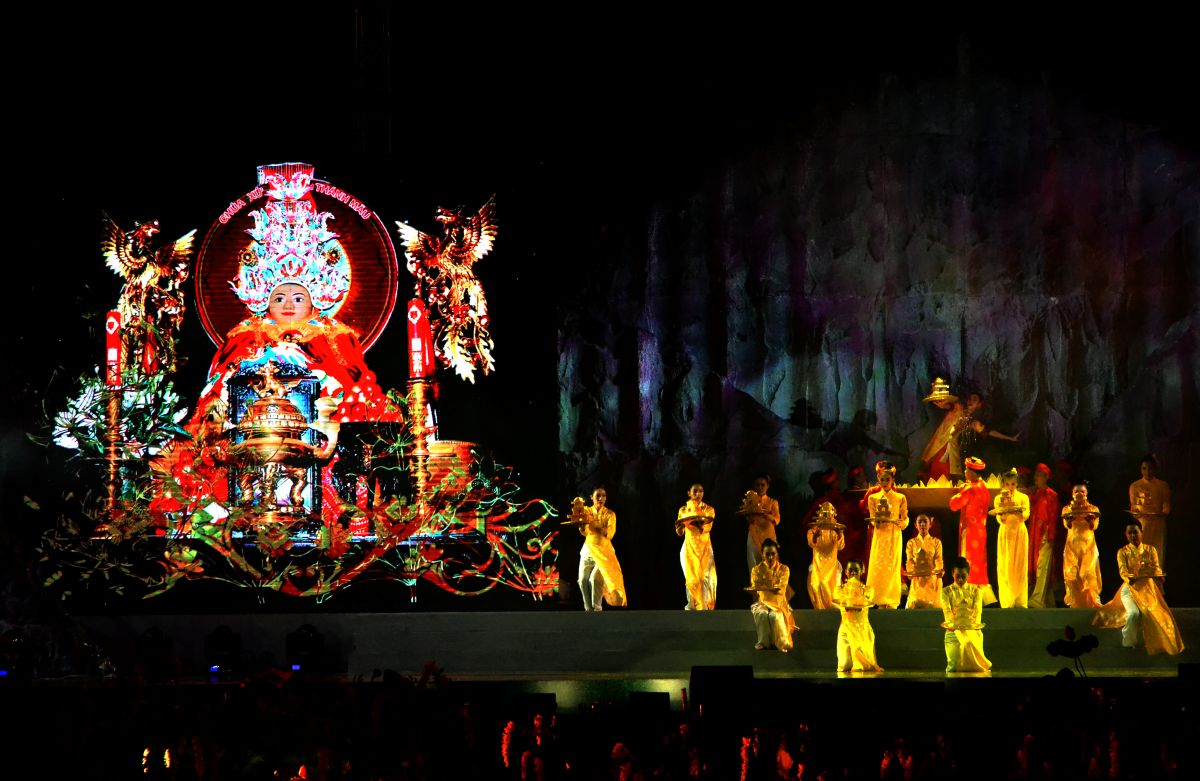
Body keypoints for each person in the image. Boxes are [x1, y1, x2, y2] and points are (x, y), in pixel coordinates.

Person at [153, 170, 403, 532]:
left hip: (316, 427)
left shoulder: (334, 334)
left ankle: (339, 513)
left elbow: (353, 379)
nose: (288, 305)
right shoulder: (245, 333)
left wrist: (318, 377)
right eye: (279, 297)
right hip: (251, 426)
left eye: (298, 297)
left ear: (318, 299)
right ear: (260, 296)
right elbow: (221, 381)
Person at [1093, 521, 1184, 656]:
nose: (1133, 535)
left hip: (1148, 590)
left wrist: (1159, 576)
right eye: (1129, 533)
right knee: (1134, 613)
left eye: (1135, 532)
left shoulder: (1150, 549)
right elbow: (1123, 571)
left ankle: (1164, 643)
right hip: (1130, 589)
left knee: (1160, 615)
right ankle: (1128, 641)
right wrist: (1132, 578)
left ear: (1141, 532)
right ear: (1126, 535)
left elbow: (1156, 567)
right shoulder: (1122, 552)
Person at [859, 461, 909, 608]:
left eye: (888, 479)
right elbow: (873, 518)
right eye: (882, 479)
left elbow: (905, 517)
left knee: (893, 566)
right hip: (880, 534)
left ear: (893, 479)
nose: (885, 482)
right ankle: (878, 598)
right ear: (878, 480)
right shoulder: (872, 498)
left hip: (894, 533)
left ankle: (891, 600)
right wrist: (876, 522)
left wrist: (902, 523)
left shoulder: (900, 497)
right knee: (879, 565)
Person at [573, 488, 627, 611]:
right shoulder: (586, 511)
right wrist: (582, 527)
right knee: (582, 580)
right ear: (592, 497)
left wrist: (597, 526)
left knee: (595, 579)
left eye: (603, 495)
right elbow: (585, 531)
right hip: (588, 549)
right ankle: (588, 609)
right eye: (598, 495)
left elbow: (610, 533)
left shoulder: (610, 514)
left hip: (603, 551)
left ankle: (597, 609)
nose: (600, 498)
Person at [948, 457, 993, 595]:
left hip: (970, 531)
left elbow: (954, 504)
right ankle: (981, 592)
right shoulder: (984, 488)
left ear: (973, 472)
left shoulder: (970, 489)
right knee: (979, 561)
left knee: (967, 560)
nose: (965, 471)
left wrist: (960, 491)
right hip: (981, 530)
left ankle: (967, 591)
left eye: (967, 469)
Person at [941, 557, 993, 672]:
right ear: (952, 574)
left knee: (972, 640)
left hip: (972, 628)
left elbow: (977, 611)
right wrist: (953, 626)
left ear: (968, 574)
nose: (960, 579)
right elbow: (947, 611)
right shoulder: (945, 591)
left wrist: (973, 626)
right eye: (957, 576)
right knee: (954, 667)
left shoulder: (976, 591)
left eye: (963, 576)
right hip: (953, 628)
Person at [832, 560, 883, 672]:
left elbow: (861, 606)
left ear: (862, 571)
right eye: (851, 570)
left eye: (856, 570)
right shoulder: (839, 589)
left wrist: (853, 603)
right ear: (846, 572)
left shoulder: (868, 590)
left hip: (861, 629)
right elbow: (845, 606)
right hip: (845, 627)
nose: (853, 573)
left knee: (861, 666)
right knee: (844, 665)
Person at [992, 468, 1030, 608]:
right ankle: (1007, 601)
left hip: (1019, 532)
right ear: (1003, 484)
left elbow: (1026, 514)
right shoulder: (998, 498)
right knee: (1005, 564)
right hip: (1006, 533)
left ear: (1017, 484)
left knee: (1020, 565)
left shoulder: (1023, 498)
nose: (1010, 487)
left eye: (1013, 484)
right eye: (1007, 484)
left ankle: (1020, 601)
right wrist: (1003, 514)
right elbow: (998, 516)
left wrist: (1018, 511)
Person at [749, 539, 795, 652]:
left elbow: (782, 587)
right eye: (767, 554)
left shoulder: (784, 569)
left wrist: (766, 588)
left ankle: (781, 643)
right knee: (761, 613)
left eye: (773, 554)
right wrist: (768, 589)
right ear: (762, 555)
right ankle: (763, 642)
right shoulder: (756, 569)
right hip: (763, 602)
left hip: (778, 603)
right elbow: (756, 586)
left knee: (775, 616)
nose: (770, 557)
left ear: (777, 554)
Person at [1061, 484, 1103, 608]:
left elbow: (1094, 526)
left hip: (1088, 544)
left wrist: (1090, 520)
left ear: (1086, 493)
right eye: (1076, 491)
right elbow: (1067, 526)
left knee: (1088, 572)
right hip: (1072, 544)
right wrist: (1069, 520)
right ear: (1072, 493)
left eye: (1082, 491)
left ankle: (1090, 601)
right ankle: (1075, 602)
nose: (1079, 494)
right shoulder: (1067, 509)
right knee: (1072, 572)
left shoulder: (1093, 508)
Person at [677, 484, 717, 610]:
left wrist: (700, 525)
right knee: (691, 577)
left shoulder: (708, 509)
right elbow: (679, 532)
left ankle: (704, 606)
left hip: (705, 547)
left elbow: (708, 527)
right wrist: (682, 525)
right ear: (689, 493)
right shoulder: (683, 510)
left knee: (705, 577)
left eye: (700, 491)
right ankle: (692, 604)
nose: (698, 494)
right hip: (689, 547)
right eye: (695, 491)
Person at [1129, 454, 1171, 569]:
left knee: (1157, 557)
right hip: (1142, 526)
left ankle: (1156, 585)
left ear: (1155, 469)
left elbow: (1166, 505)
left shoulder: (1163, 485)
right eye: (1144, 469)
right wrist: (1136, 512)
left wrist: (1164, 512)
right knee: (1141, 557)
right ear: (1140, 469)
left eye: (1150, 468)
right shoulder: (1135, 486)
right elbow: (1134, 506)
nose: (1147, 472)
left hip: (1158, 525)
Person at [1027, 464, 1059, 608]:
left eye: (1039, 474)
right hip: (1034, 535)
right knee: (1036, 566)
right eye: (1036, 474)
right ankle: (1047, 600)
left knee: (1043, 567)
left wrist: (1050, 536)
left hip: (1045, 535)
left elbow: (1053, 516)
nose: (1035, 477)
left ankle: (1037, 599)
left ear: (1046, 477)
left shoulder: (1052, 494)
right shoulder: (1035, 494)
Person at [806, 501, 845, 609]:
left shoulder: (835, 531)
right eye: (824, 514)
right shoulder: (813, 530)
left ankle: (830, 610)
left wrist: (840, 534)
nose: (826, 517)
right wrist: (816, 536)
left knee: (828, 586)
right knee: (816, 585)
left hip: (831, 564)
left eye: (828, 514)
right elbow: (811, 543)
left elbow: (840, 546)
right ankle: (819, 609)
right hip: (818, 564)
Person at [740, 473, 781, 572]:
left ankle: (771, 585)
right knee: (753, 562)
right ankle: (755, 585)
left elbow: (777, 519)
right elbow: (747, 515)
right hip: (754, 533)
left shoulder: (772, 502)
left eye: (763, 485)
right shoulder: (750, 500)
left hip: (768, 534)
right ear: (754, 486)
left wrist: (769, 517)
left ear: (767, 486)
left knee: (770, 563)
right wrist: (749, 518)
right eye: (757, 485)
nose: (760, 487)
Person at [904, 514, 943, 609]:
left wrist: (939, 571)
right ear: (916, 525)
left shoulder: (936, 542)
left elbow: (938, 558)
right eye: (920, 522)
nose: (922, 524)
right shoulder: (911, 543)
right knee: (915, 604)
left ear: (930, 525)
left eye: (925, 521)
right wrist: (910, 572)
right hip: (918, 578)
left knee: (934, 606)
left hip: (932, 578)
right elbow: (909, 560)